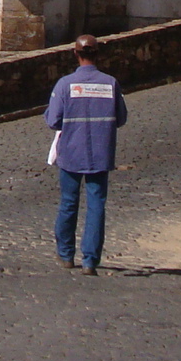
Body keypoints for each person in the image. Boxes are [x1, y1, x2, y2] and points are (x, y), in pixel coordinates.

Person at [45, 34, 127, 273]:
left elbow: (53, 120)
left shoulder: (64, 85)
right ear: (98, 54)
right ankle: (90, 260)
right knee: (96, 205)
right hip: (101, 153)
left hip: (71, 152)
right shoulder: (110, 83)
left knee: (69, 203)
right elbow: (121, 118)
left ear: (75, 53)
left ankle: (66, 254)